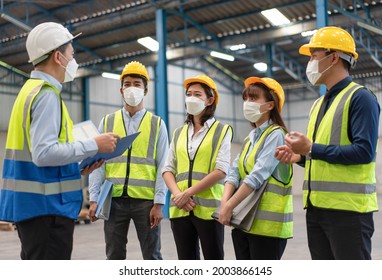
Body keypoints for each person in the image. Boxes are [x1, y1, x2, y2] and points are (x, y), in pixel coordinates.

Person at [0, 22, 119, 260]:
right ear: (58, 57)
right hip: (46, 211)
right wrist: (95, 145)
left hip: (35, 208)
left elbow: (41, 156)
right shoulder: (46, 95)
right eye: (71, 55)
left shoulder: (30, 91)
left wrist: (78, 168)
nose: (73, 61)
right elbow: (43, 154)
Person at [275, 26, 380, 260]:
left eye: (314, 55)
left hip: (348, 212)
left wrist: (310, 148)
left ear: (333, 57)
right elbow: (323, 154)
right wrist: (300, 156)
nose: (310, 62)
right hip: (317, 209)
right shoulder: (319, 103)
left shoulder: (360, 98)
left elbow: (364, 152)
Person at [88, 61, 169, 260]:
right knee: (114, 255)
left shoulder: (157, 124)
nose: (132, 88)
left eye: (137, 84)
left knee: (152, 256)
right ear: (121, 90)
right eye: (127, 84)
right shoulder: (107, 122)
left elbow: (163, 166)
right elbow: (98, 165)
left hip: (146, 202)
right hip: (113, 201)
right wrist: (93, 198)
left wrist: (159, 203)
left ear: (145, 90)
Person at [218, 77, 293, 260]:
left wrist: (229, 205)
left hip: (267, 229)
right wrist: (224, 205)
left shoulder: (276, 134)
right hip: (243, 221)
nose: (247, 104)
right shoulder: (250, 138)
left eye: (253, 99)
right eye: (246, 99)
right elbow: (233, 173)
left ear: (269, 105)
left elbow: (257, 175)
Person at [162, 74, 232, 260]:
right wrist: (179, 195)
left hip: (209, 210)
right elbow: (168, 169)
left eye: (197, 94)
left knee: (213, 260)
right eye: (189, 94)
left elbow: (221, 170)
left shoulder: (222, 130)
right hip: (180, 208)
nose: (191, 98)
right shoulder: (178, 133)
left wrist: (188, 193)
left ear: (209, 100)